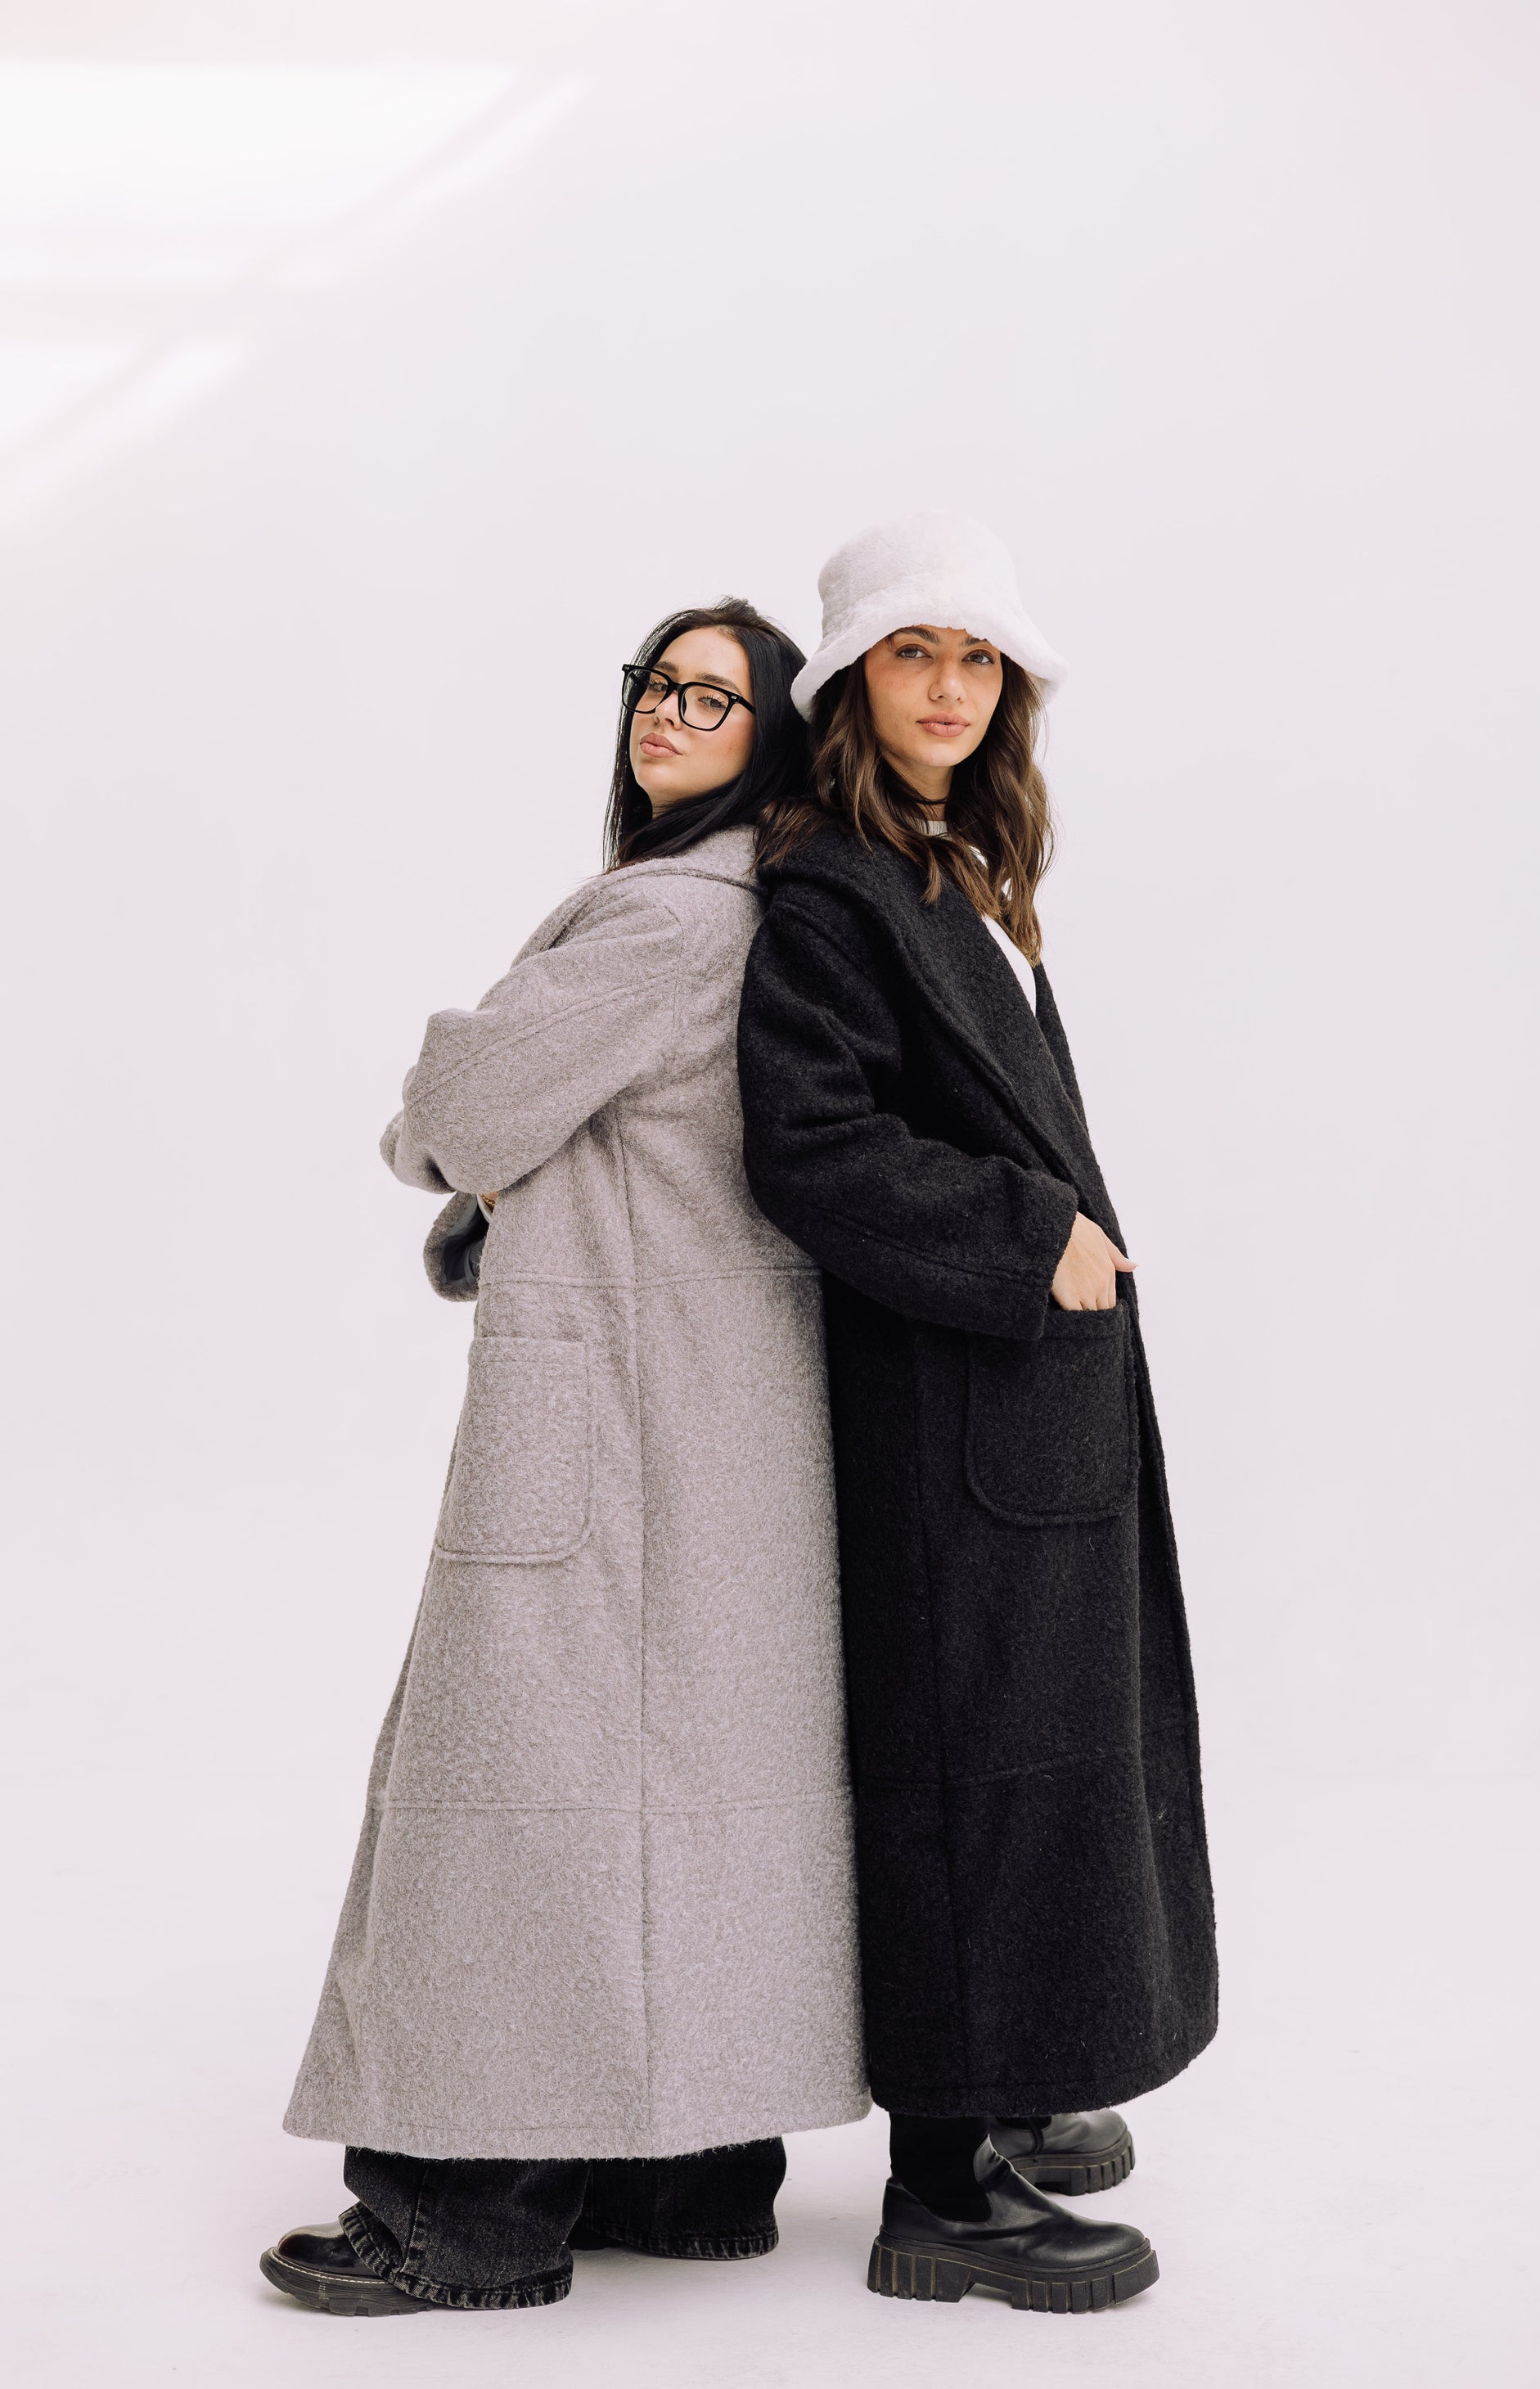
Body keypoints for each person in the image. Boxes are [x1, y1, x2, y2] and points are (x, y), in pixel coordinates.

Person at [263, 601, 867, 2318]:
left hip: (605, 1421)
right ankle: (689, 2169)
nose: (667, 715)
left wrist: (453, 1120)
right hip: (718, 1421)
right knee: (686, 1788)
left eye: (713, 697)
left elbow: (461, 1109)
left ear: (772, 734)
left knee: (510, 1800)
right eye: (656, 686)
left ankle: (466, 2213)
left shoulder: (667, 912)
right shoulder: (771, 903)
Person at [737, 514, 1218, 2316]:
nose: (947, 687)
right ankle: (944, 2188)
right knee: (969, 1775)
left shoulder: (956, 858)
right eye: (910, 653)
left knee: (1049, 1762)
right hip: (950, 1404)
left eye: (974, 658)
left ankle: (1014, 2083)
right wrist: (1033, 1240)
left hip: (1026, 1403)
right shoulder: (830, 881)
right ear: (850, 678)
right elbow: (811, 1146)